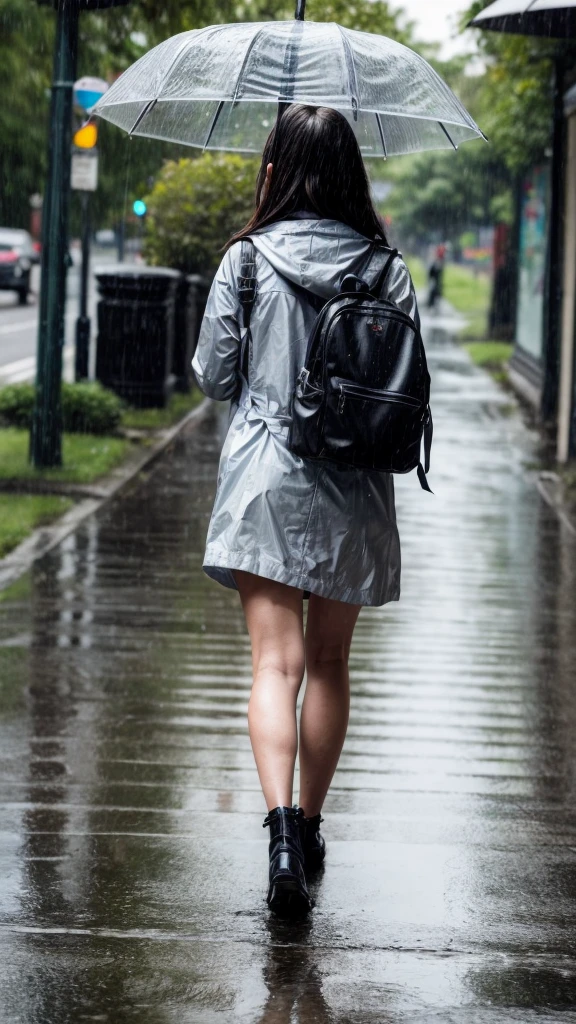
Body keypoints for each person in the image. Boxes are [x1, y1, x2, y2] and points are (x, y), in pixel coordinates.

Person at [192, 104, 419, 918]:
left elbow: (215, 375)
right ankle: (312, 827)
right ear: (353, 173)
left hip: (266, 484)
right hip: (354, 485)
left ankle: (279, 831)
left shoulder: (246, 261)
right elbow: (399, 381)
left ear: (276, 169)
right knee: (326, 666)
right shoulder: (387, 267)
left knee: (273, 668)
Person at [427, 243, 446, 309]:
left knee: (436, 290)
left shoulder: (440, 261)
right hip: (433, 277)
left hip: (436, 279)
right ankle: (431, 304)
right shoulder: (435, 261)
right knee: (433, 290)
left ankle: (433, 304)